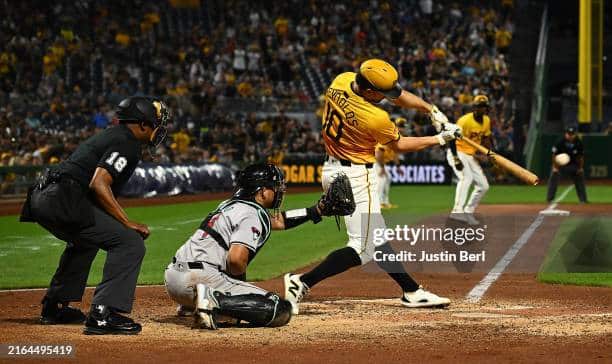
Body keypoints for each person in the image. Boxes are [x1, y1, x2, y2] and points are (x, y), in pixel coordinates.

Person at [283, 59, 461, 314]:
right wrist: (440, 138)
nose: (388, 97)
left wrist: (430, 110)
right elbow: (399, 146)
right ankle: (302, 281)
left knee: (377, 238)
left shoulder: (341, 80)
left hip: (332, 169)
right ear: (368, 91)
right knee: (362, 247)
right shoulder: (375, 118)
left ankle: (411, 290)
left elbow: (398, 95)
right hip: (356, 176)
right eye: (382, 93)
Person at [20, 96, 170, 335]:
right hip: (63, 198)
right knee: (129, 243)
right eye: (155, 124)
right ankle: (104, 313)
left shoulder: (114, 135)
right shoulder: (128, 142)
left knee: (86, 240)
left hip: (44, 197)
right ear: (142, 125)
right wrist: (127, 222)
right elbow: (99, 184)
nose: (158, 129)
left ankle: (55, 307)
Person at [164, 163, 351, 329]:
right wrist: (238, 288)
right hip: (201, 279)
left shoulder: (231, 205)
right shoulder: (251, 214)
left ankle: (193, 304)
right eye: (275, 187)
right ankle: (214, 300)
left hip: (174, 279)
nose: (280, 191)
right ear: (262, 192)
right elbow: (236, 261)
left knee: (236, 290)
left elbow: (277, 221)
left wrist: (315, 211)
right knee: (280, 308)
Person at [447, 95, 492, 225]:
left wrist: (489, 153)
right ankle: (457, 211)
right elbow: (451, 139)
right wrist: (455, 158)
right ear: (474, 108)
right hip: (457, 152)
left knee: (484, 186)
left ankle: (468, 211)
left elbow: (486, 138)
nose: (482, 109)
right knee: (466, 178)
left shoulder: (487, 121)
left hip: (470, 155)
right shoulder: (464, 121)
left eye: (484, 107)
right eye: (479, 106)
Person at [546, 126, 588, 203]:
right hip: (561, 166)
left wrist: (580, 168)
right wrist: (555, 167)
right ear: (566, 134)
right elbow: (554, 155)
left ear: (575, 134)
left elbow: (581, 157)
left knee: (580, 175)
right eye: (568, 134)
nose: (570, 136)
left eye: (572, 134)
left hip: (573, 165)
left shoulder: (578, 142)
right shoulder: (560, 141)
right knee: (554, 175)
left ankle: (583, 200)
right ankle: (550, 199)